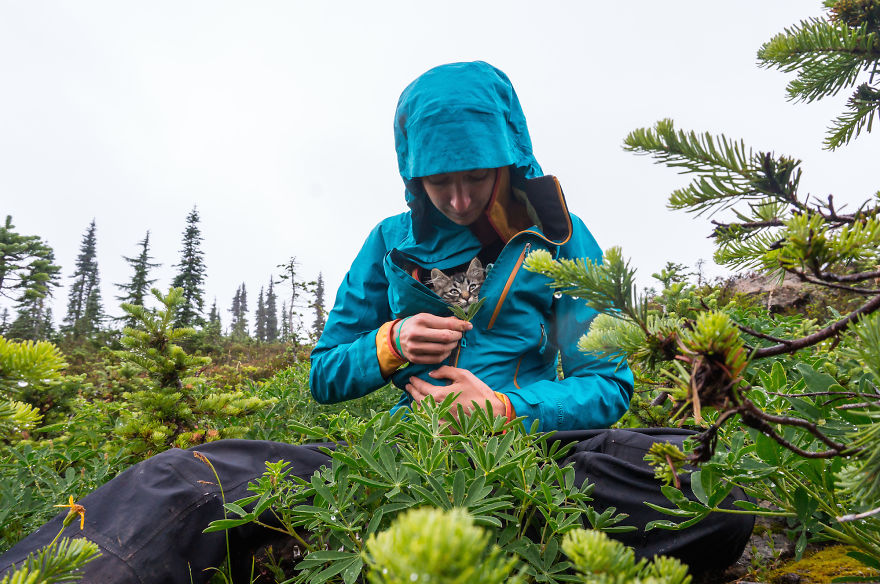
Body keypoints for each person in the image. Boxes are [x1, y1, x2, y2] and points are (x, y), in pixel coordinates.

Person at [0, 61, 753, 583]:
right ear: (412, 171)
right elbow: (326, 372)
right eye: (439, 179)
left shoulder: (559, 237)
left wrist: (507, 407)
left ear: (509, 160)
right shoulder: (388, 243)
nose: (457, 198)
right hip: (389, 463)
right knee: (182, 480)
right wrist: (387, 347)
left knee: (705, 480)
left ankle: (505, 540)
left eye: (475, 177)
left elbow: (606, 383)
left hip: (541, 457)